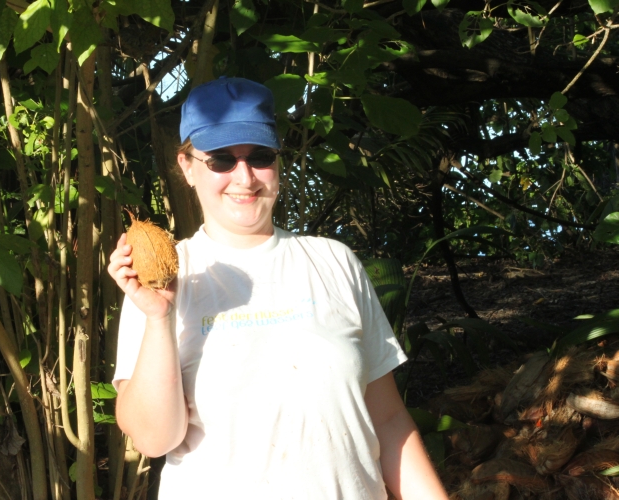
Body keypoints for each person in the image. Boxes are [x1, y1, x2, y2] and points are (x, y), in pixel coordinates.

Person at [108, 77, 449, 500]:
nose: (245, 176)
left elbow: (389, 421)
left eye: (261, 156)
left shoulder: (334, 261)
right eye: (221, 160)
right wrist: (159, 318)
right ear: (187, 166)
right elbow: (153, 440)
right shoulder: (166, 279)